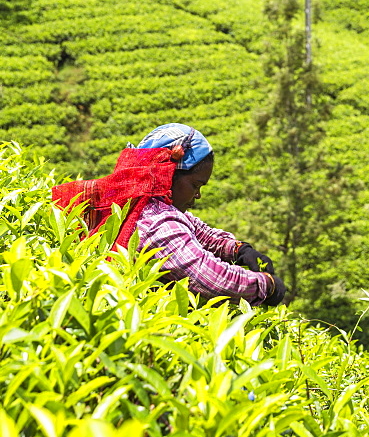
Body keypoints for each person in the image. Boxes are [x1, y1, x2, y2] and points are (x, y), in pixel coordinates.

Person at [52, 123, 285, 308]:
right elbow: (209, 278)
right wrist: (266, 285)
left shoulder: (133, 197)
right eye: (196, 185)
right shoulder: (155, 221)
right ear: (169, 172)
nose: (198, 195)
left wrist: (237, 249)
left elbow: (196, 228)